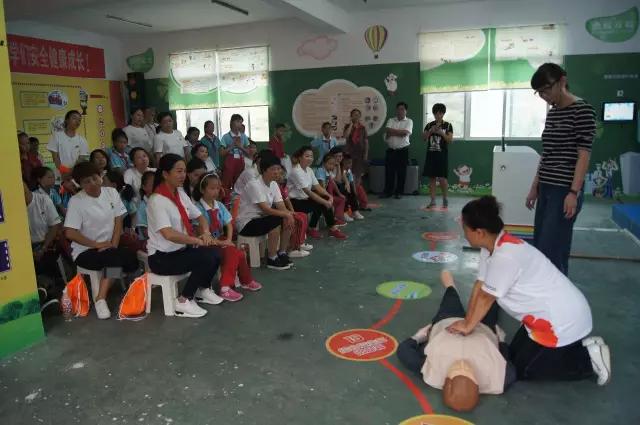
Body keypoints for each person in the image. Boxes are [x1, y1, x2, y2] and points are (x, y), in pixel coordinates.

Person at [446, 196, 611, 385]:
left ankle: (588, 360)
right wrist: (467, 321)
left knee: (524, 371)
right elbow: (480, 285)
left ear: (479, 232)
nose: (464, 233)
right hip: (544, 316)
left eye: (465, 229)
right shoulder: (491, 246)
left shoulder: (505, 257)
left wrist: (468, 326)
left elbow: (486, 298)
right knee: (513, 357)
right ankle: (580, 346)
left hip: (559, 320)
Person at [397, 270, 515, 412]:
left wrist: (418, 337)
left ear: (445, 380)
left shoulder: (430, 370)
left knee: (450, 300)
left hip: (448, 322)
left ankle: (450, 286)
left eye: (456, 369)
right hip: (482, 327)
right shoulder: (501, 378)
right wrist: (501, 341)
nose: (462, 364)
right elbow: (506, 362)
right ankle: (495, 282)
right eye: (468, 371)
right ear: (477, 384)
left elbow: (404, 351)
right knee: (491, 302)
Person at [526, 63, 596, 276]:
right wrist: (535, 187)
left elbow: (584, 155)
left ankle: (556, 292)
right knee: (541, 244)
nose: (544, 96)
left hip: (564, 190)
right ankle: (546, 289)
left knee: (553, 248)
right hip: (546, 187)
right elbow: (546, 153)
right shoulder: (553, 113)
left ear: (562, 81)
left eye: (546, 89)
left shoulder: (583, 110)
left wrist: (573, 192)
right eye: (539, 92)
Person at [146, 154, 222, 318]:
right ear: (165, 174)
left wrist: (206, 232)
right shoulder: (157, 200)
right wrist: (197, 240)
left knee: (215, 253)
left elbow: (200, 216)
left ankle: (203, 289)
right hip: (161, 258)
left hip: (180, 251)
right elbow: (168, 234)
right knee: (205, 258)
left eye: (184, 171)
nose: (183, 175)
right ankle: (183, 300)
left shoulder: (180, 193)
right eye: (178, 171)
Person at [63, 161, 139, 319]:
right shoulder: (76, 201)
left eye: (94, 178)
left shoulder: (111, 192)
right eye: (86, 181)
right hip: (85, 251)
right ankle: (100, 299)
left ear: (100, 176)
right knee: (115, 260)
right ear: (79, 184)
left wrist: (113, 245)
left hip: (109, 247)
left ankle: (110, 287)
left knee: (130, 258)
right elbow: (70, 233)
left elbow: (118, 220)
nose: (92, 183)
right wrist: (96, 244)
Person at [193, 173, 262, 302]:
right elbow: (201, 233)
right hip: (204, 243)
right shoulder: (197, 208)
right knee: (232, 252)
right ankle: (225, 288)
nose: (216, 191)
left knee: (239, 253)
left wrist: (229, 239)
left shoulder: (219, 205)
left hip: (220, 240)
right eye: (212, 188)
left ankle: (245, 281)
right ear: (202, 189)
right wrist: (224, 243)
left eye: (218, 188)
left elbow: (229, 224)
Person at [236, 154, 295, 270]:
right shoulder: (254, 184)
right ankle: (272, 258)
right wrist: (286, 214)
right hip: (247, 223)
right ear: (264, 170)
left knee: (287, 218)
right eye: (273, 169)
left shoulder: (274, 184)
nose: (277, 172)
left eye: (278, 168)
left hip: (261, 218)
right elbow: (265, 209)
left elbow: (281, 205)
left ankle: (282, 252)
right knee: (276, 220)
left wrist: (288, 214)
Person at [287, 146, 347, 240]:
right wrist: (325, 202)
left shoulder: (309, 170)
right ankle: (329, 228)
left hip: (305, 199)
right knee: (321, 203)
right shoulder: (296, 171)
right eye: (307, 156)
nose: (310, 158)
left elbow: (317, 186)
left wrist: (329, 196)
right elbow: (308, 192)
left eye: (311, 156)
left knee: (323, 200)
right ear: (300, 157)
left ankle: (325, 228)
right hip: (294, 202)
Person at [24, 181, 63, 284]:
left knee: (47, 264)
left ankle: (53, 285)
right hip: (26, 249)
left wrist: (43, 247)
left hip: (46, 244)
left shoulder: (43, 200)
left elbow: (54, 225)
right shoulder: (12, 206)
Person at [276, 165, 312, 258]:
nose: (282, 176)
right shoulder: (274, 186)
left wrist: (293, 211)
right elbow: (278, 206)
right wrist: (290, 213)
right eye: (280, 174)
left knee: (303, 216)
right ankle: (293, 249)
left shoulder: (282, 186)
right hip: (278, 212)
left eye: (283, 174)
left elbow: (287, 200)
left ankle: (300, 243)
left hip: (284, 211)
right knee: (297, 219)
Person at [423, 103, 454, 209]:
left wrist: (442, 133)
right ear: (433, 114)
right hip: (431, 155)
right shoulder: (429, 125)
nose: (438, 115)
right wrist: (430, 131)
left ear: (443, 113)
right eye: (436, 113)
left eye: (440, 113)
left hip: (442, 155)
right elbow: (424, 138)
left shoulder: (448, 125)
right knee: (432, 178)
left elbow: (450, 140)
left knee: (442, 178)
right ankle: (432, 201)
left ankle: (445, 198)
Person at [382, 102, 413, 199]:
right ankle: (388, 192)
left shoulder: (409, 121)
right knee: (389, 172)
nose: (400, 111)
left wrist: (393, 132)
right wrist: (399, 132)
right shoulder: (391, 120)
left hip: (402, 151)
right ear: (396, 110)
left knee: (401, 173)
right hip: (391, 150)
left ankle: (399, 192)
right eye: (398, 109)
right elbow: (388, 130)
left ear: (406, 111)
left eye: (402, 109)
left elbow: (405, 133)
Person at [220, 114, 250, 191]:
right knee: (227, 181)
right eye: (238, 121)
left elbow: (249, 152)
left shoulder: (243, 136)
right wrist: (232, 146)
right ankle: (226, 197)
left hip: (240, 160)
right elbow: (222, 153)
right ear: (232, 122)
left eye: (241, 122)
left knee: (239, 182)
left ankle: (237, 197)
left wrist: (240, 146)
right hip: (230, 160)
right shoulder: (226, 136)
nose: (240, 124)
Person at [315, 154, 347, 225]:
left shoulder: (327, 172)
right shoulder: (320, 170)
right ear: (324, 163)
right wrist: (329, 197)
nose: (331, 166)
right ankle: (332, 222)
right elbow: (322, 187)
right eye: (329, 164)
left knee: (341, 199)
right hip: (318, 195)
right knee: (329, 201)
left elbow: (333, 183)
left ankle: (337, 218)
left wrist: (339, 194)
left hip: (325, 194)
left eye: (333, 164)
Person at [342, 109, 369, 187]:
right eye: (354, 114)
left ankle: (356, 190)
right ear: (351, 116)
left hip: (360, 153)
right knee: (348, 172)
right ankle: (349, 189)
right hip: (349, 153)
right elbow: (346, 136)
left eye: (358, 115)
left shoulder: (362, 128)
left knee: (358, 173)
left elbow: (366, 141)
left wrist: (366, 154)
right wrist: (351, 124)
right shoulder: (347, 126)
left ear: (360, 116)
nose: (356, 116)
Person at [339, 154, 364, 220]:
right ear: (342, 163)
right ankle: (344, 212)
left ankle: (355, 211)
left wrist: (354, 192)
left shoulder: (349, 171)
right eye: (347, 163)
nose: (349, 165)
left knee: (352, 192)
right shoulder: (340, 170)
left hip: (348, 189)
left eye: (350, 163)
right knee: (345, 192)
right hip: (340, 189)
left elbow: (351, 182)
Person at [135, 171, 155, 242]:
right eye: (152, 185)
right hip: (149, 242)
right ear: (144, 187)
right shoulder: (142, 207)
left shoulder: (160, 202)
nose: (156, 187)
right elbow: (145, 232)